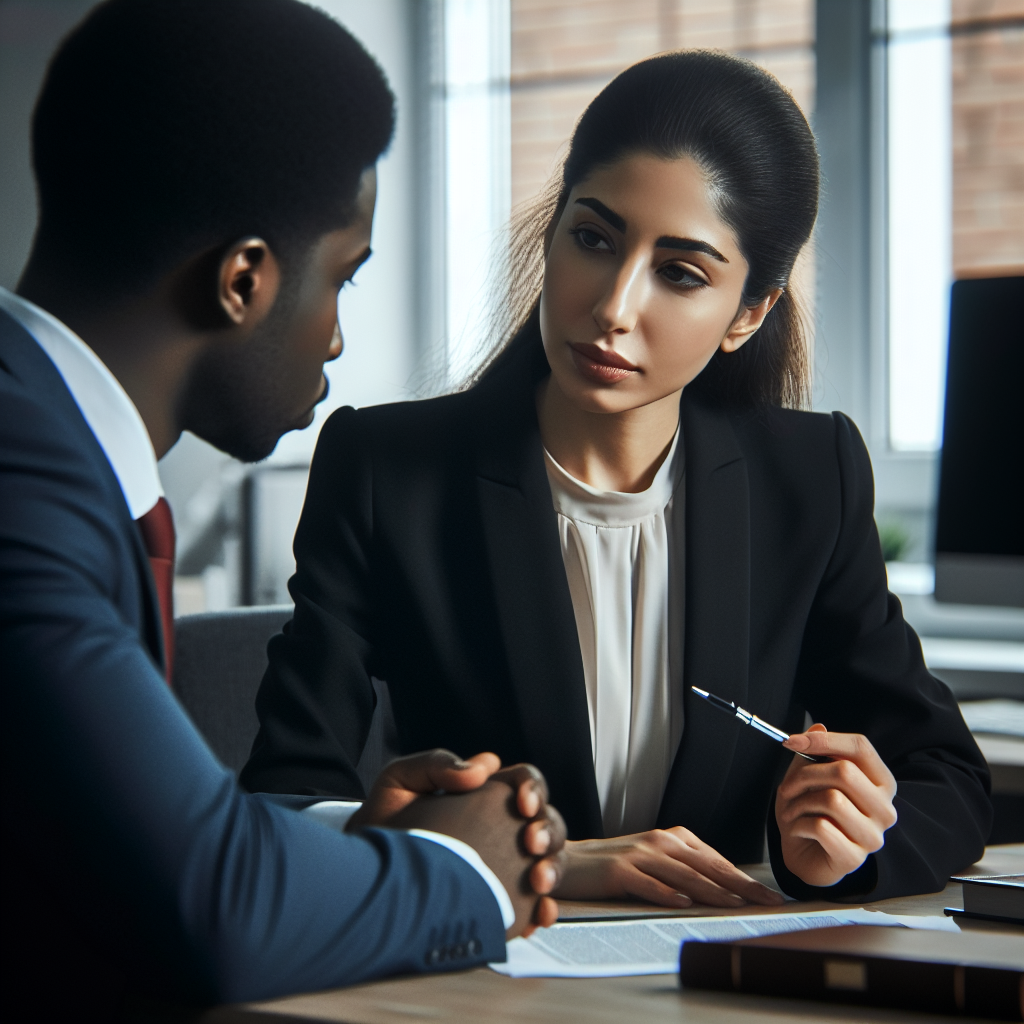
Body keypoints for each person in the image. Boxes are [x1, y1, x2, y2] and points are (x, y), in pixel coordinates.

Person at [242, 51, 992, 909]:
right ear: (555, 227)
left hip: (715, 971)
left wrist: (840, 845)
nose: (613, 306)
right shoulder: (387, 471)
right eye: (594, 238)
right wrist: (539, 859)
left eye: (680, 273)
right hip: (482, 968)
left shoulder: (809, 478)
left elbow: (947, 780)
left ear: (749, 313)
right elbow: (285, 803)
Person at [0, 1, 568, 1019]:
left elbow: (86, 847)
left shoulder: (45, 438)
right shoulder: (22, 477)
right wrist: (466, 869)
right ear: (243, 280)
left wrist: (357, 847)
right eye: (342, 279)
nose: (339, 341)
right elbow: (210, 905)